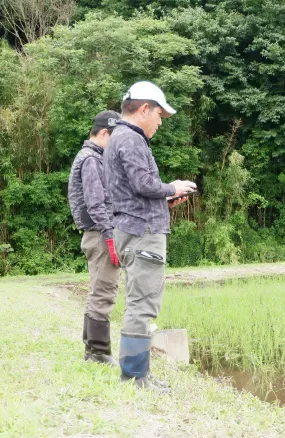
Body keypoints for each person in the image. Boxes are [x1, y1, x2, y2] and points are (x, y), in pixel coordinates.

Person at [104, 81, 196, 392]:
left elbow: (135, 191)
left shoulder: (121, 137)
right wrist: (173, 188)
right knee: (142, 304)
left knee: (139, 302)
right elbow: (144, 184)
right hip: (143, 232)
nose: (159, 122)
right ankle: (134, 377)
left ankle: (138, 373)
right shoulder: (131, 139)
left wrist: (165, 199)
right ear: (144, 109)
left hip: (134, 226)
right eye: (158, 115)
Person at [68, 110, 122, 365]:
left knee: (97, 290)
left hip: (97, 233)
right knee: (104, 291)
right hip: (100, 234)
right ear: (103, 133)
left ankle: (92, 350)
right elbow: (95, 203)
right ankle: (99, 353)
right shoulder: (91, 159)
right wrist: (110, 237)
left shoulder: (91, 156)